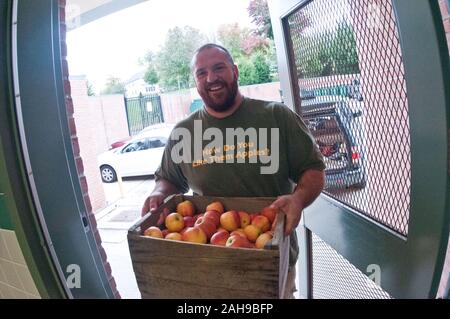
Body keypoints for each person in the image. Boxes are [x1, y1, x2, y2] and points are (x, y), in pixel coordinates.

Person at [141, 43, 325, 298]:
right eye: (201, 73)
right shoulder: (184, 133)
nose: (211, 78)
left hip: (270, 262)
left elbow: (313, 169)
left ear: (235, 71)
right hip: (210, 267)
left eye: (219, 68)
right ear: (195, 81)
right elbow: (169, 180)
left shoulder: (276, 117)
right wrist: (159, 193)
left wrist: (298, 199)